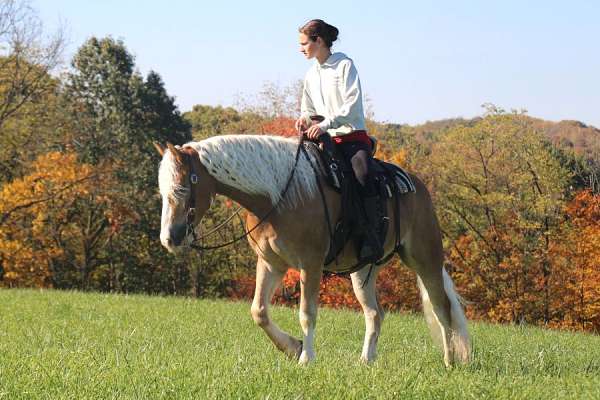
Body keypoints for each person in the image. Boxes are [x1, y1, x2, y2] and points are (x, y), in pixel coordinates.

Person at [294, 19, 383, 263]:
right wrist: (304, 120)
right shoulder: (310, 74)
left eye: (304, 43)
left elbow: (351, 106)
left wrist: (324, 124)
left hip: (352, 139)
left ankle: (371, 237)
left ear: (319, 41)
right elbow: (307, 108)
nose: (300, 49)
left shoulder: (345, 65)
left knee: (363, 175)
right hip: (323, 140)